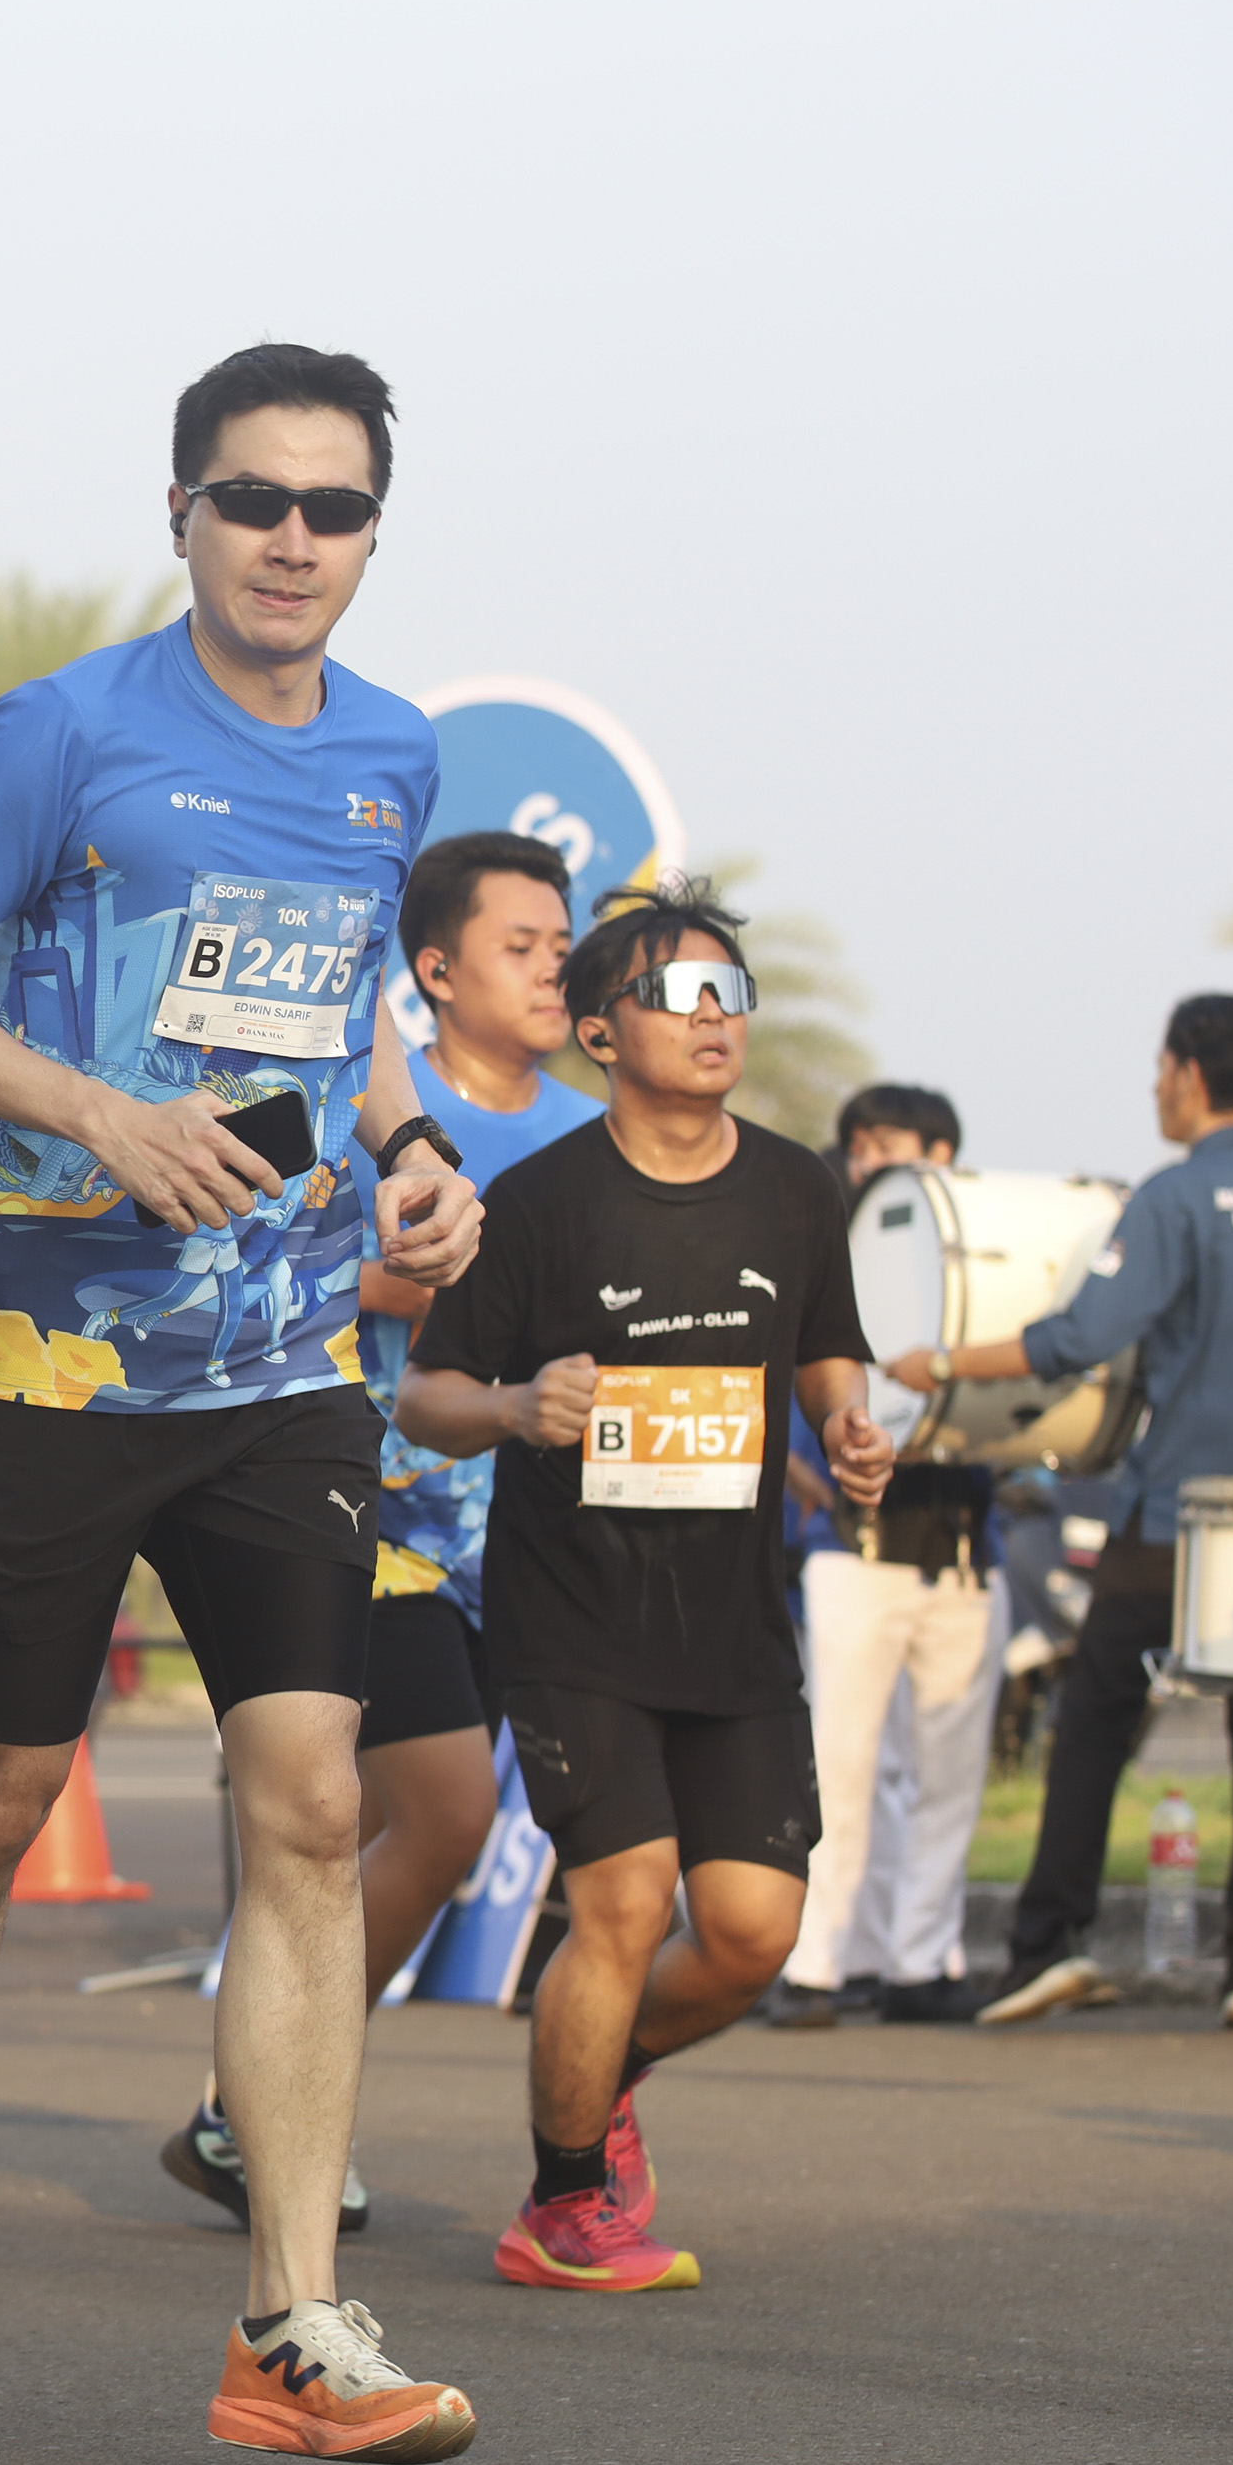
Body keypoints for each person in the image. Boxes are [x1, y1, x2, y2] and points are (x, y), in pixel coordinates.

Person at [0, 343, 485, 2465]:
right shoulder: (68, 731)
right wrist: (98, 1113)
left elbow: (352, 1005)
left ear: (372, 533)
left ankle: (290, 2321)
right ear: (180, 513)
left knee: (310, 1801)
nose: (291, 538)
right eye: (251, 499)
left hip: (286, 1366)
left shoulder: (394, 752)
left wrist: (416, 1145)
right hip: (49, 1356)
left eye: (332, 507)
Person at [400, 879, 892, 2293]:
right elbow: (425, 1394)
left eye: (730, 991)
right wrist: (516, 1406)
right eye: (677, 993)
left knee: (750, 1935)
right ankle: (561, 2206)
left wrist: (849, 1428)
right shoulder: (541, 1202)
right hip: (573, 1618)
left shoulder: (795, 1188)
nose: (711, 1016)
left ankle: (596, 2075)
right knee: (619, 1904)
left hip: (732, 1625)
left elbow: (827, 1349)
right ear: (602, 1030)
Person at [162, 826, 597, 2232]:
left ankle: (254, 2104)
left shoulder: (592, 1139)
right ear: (435, 969)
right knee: (445, 1808)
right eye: (520, 947)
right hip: (373, 1510)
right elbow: (234, 1253)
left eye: (563, 947)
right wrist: (386, 1273)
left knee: (533, 1838)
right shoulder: (357, 1107)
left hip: (533, 1540)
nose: (552, 971)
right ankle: (262, 2106)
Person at [924, 997, 1233, 2029]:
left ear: (1192, 1072)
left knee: (1095, 1722)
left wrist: (938, 1361)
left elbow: (1080, 1336)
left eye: (1160, 1067)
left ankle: (1047, 1944)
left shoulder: (1175, 1194)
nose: (1155, 1086)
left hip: (1178, 1511)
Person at [768, 1086, 1008, 2028]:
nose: (866, 1160)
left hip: (964, 1552)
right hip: (853, 1551)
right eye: (858, 1145)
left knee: (947, 1776)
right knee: (840, 1764)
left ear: (941, 1154)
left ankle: (921, 1962)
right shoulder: (829, 1249)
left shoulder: (987, 1270)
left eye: (887, 1143)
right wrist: (801, 1475)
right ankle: (818, 1965)